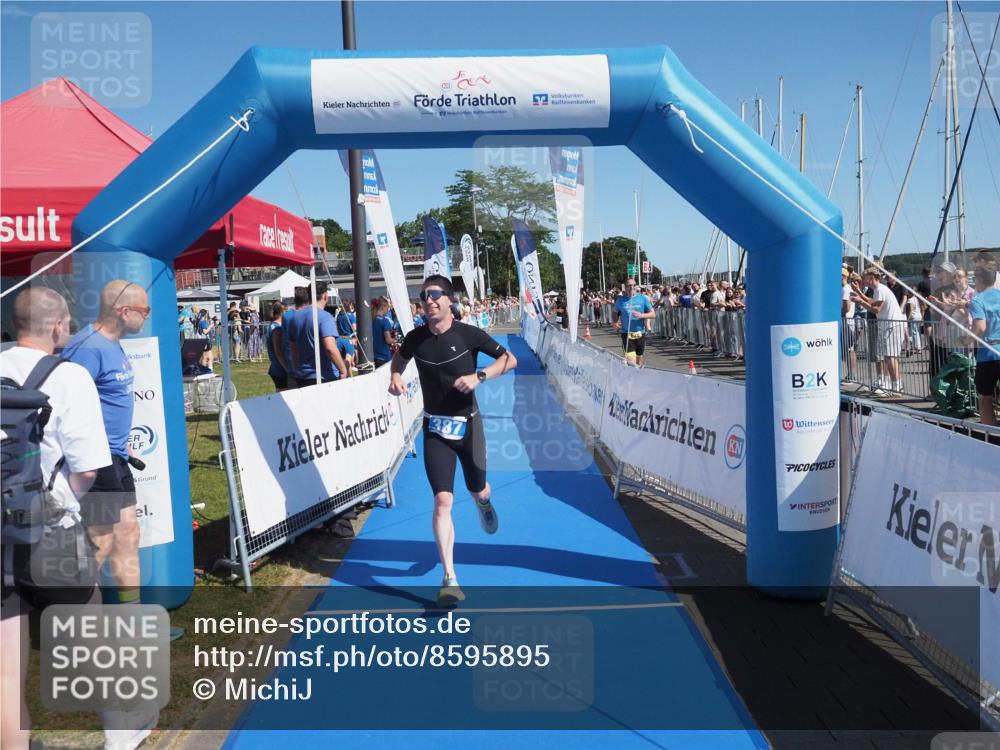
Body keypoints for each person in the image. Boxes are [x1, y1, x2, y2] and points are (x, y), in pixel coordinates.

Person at [1, 288, 110, 750]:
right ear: (57, 326)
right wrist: (62, 502)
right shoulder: (71, 377)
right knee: (98, 640)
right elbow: (87, 467)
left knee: (5, 672)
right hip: (51, 530)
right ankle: (123, 729)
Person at [387, 275, 517, 607]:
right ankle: (449, 578)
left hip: (469, 428)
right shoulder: (415, 338)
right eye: (423, 296)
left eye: (434, 295)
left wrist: (480, 376)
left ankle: (483, 502)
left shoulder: (468, 334)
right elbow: (399, 359)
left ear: (449, 300)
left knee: (478, 489)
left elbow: (509, 359)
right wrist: (396, 376)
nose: (428, 301)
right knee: (443, 501)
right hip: (434, 430)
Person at [61, 280, 147, 603]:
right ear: (124, 312)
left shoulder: (111, 343)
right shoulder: (87, 347)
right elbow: (65, 402)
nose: (146, 317)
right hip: (95, 459)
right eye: (143, 311)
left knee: (128, 534)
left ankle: (132, 620)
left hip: (115, 457)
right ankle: (69, 615)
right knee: (101, 542)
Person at [850, 267, 904, 396]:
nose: (863, 280)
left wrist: (860, 302)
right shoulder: (878, 290)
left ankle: (896, 386)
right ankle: (895, 385)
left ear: (872, 278)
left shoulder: (879, 289)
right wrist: (859, 292)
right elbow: (872, 302)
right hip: (889, 325)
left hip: (892, 325)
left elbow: (876, 309)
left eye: (865, 278)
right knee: (888, 356)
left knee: (890, 357)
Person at [287, 282, 348, 387]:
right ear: (325, 296)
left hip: (303, 376)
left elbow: (293, 349)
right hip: (325, 377)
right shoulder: (325, 317)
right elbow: (330, 347)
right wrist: (343, 370)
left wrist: (296, 369)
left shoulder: (294, 318)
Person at [970, 265, 1000, 425]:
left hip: (988, 353)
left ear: (980, 280)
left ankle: (991, 435)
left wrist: (968, 339)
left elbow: (980, 327)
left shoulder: (977, 300)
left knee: (985, 398)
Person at [613, 278, 656, 367]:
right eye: (629, 285)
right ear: (625, 287)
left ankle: (639, 379)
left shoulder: (642, 298)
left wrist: (641, 315)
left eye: (633, 285)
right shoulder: (620, 300)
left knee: (638, 362)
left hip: (640, 333)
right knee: (631, 362)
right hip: (627, 333)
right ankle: (630, 380)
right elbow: (615, 312)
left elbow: (653, 314)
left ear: (636, 287)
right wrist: (615, 322)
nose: (631, 287)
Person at [265, 302, 288, 391]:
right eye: (286, 311)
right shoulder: (276, 328)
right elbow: (278, 352)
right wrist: (287, 369)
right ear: (282, 312)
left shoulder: (275, 326)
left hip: (278, 367)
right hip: (279, 368)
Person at [372, 297, 396, 368]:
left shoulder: (372, 319)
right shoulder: (385, 321)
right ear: (383, 307)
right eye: (388, 307)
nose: (388, 310)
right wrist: (396, 340)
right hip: (384, 357)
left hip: (373, 356)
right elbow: (388, 340)